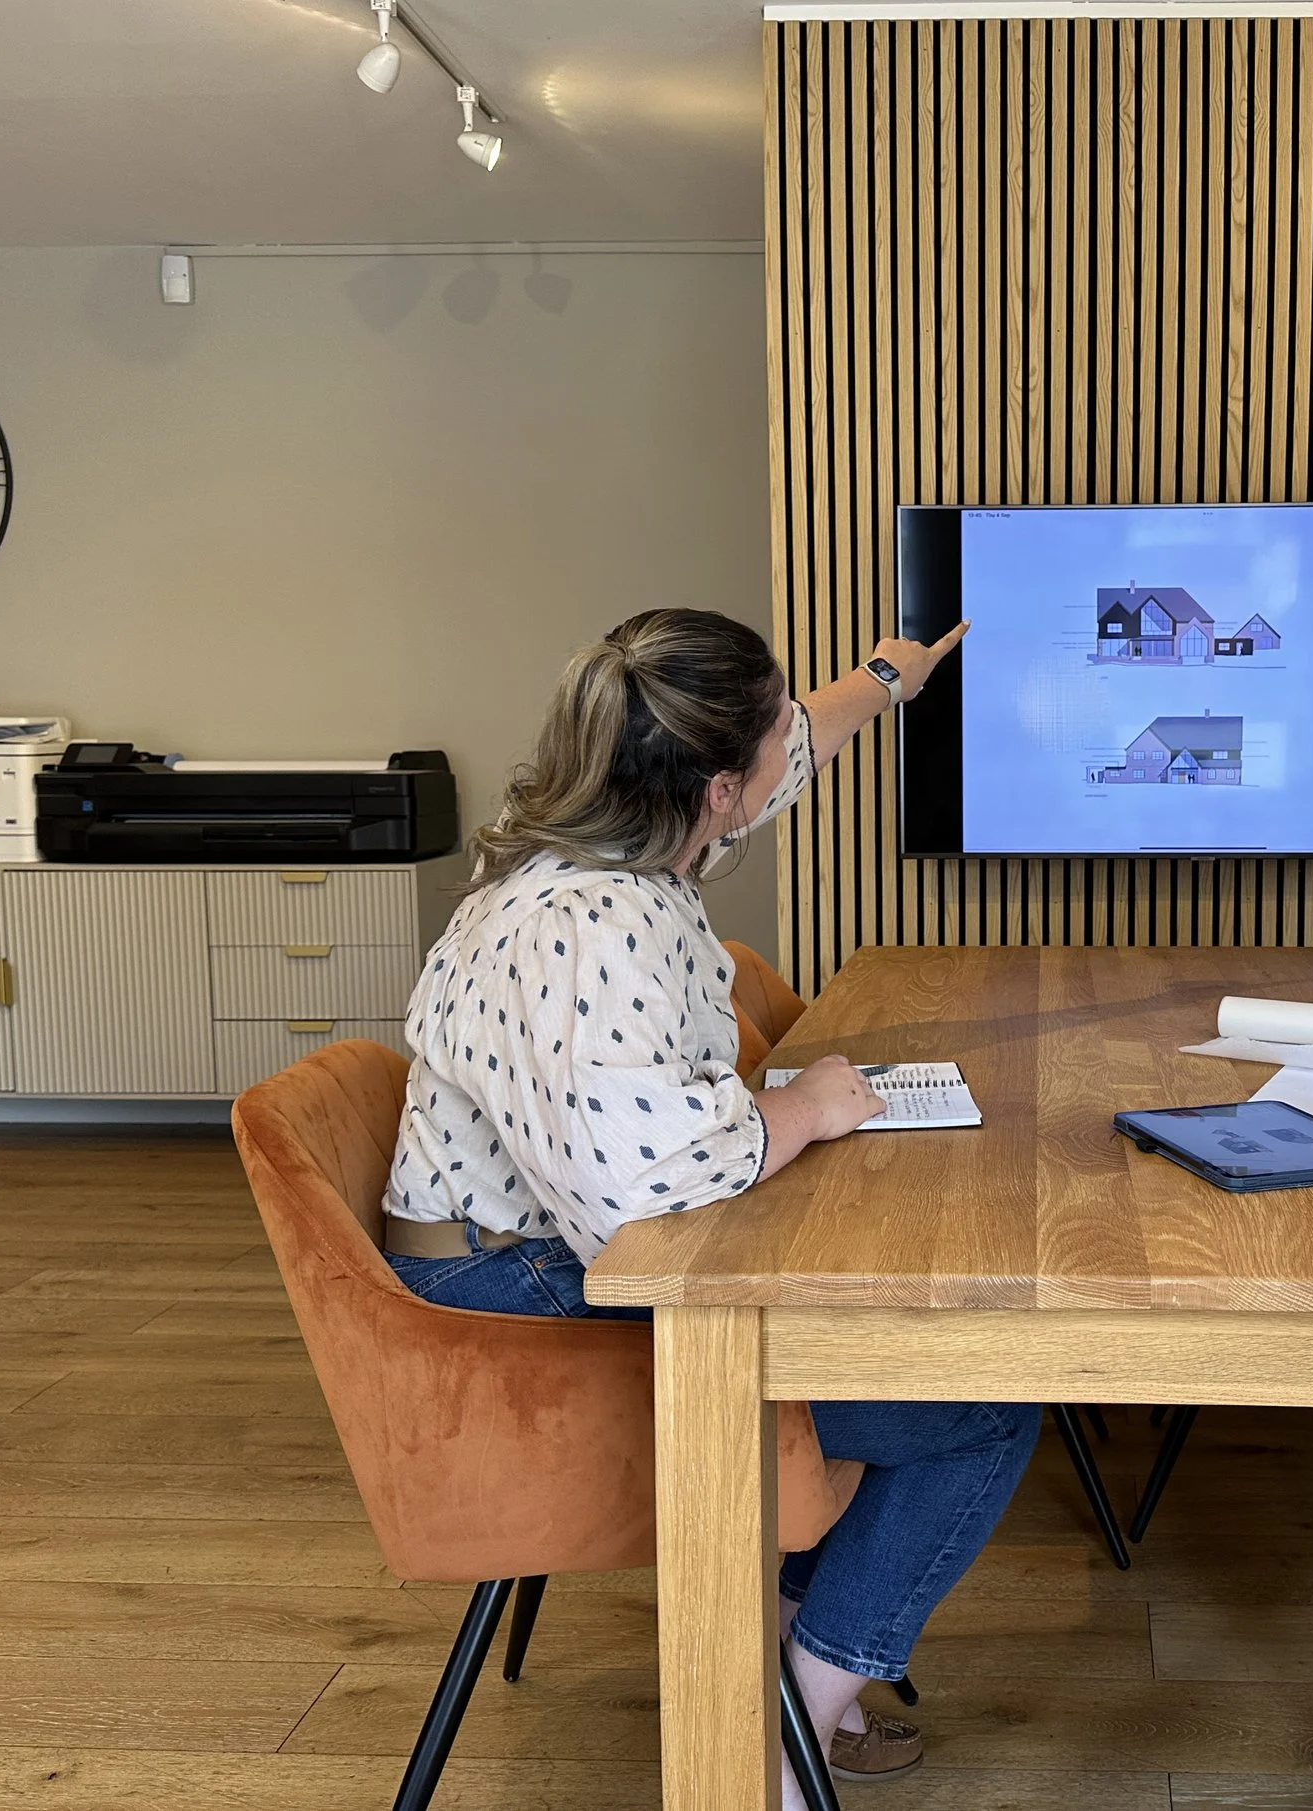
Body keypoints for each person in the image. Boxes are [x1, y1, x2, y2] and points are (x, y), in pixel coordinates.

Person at [382, 606, 1034, 1809]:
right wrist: (810, 1110)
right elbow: (637, 1199)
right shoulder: (594, 927)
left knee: (909, 1358)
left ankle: (772, 1669)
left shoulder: (608, 833)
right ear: (718, 789)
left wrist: (886, 681)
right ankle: (794, 1718)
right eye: (779, 731)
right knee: (980, 1405)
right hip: (505, 1299)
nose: (800, 743)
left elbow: (796, 750)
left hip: (518, 1239)